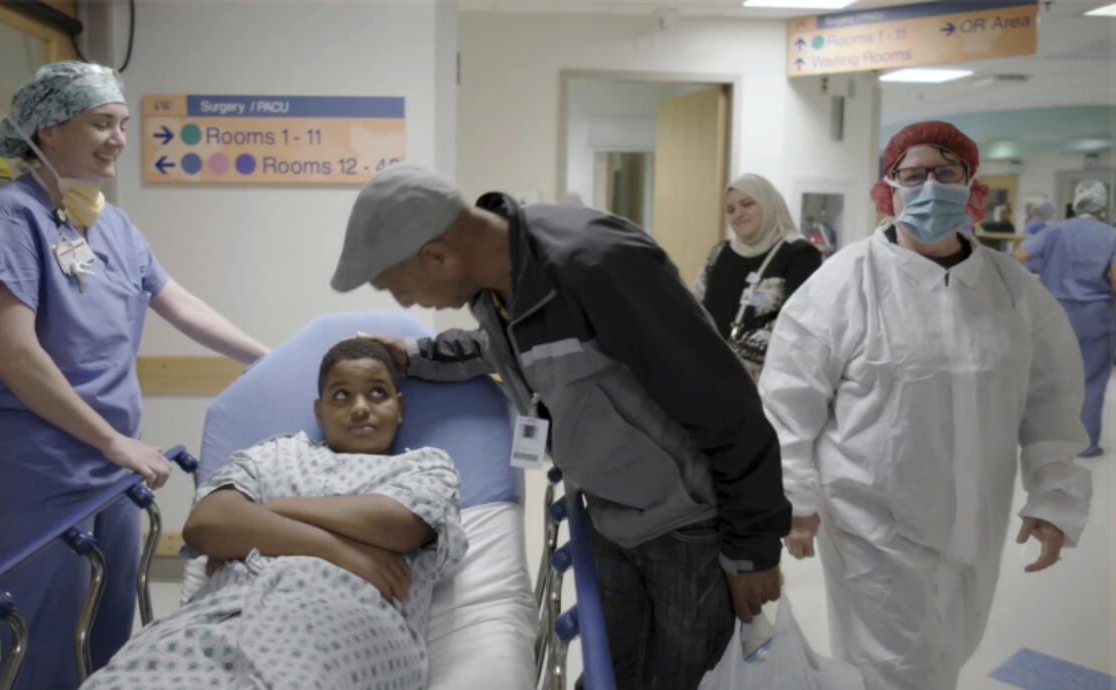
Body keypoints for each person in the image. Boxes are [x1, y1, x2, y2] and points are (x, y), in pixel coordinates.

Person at [330, 164, 789, 689]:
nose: (406, 305)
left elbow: (724, 399)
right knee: (615, 674)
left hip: (685, 526)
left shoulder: (596, 264)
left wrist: (753, 547)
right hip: (610, 513)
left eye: (400, 290)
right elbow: (514, 348)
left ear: (436, 254)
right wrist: (415, 356)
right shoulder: (496, 277)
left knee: (684, 680)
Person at [0, 61, 270, 689]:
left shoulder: (108, 223)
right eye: (101, 122)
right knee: (42, 653)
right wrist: (110, 439)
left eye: (123, 124)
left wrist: (273, 362)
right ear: (47, 131)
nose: (119, 139)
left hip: (115, 470)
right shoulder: (6, 221)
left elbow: (181, 304)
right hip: (41, 470)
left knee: (106, 645)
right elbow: (13, 354)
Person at [759, 121, 1092, 690]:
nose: (930, 187)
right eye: (913, 176)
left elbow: (1052, 401)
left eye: (946, 173)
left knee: (950, 650)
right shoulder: (843, 283)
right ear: (889, 188)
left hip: (976, 518)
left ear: (971, 184)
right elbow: (789, 401)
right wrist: (796, 500)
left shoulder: (1013, 291)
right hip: (872, 520)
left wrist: (1053, 496)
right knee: (896, 667)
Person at [80, 338, 466, 689]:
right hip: (226, 614)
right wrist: (344, 553)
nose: (360, 407)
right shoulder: (275, 455)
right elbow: (208, 522)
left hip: (352, 624)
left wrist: (275, 510)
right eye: (342, 395)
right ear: (319, 411)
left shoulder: (425, 468)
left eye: (377, 393)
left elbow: (400, 524)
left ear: (399, 407)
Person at [1016, 180, 1116, 458]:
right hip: (1095, 316)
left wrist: (1048, 268)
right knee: (1092, 380)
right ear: (1102, 204)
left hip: (1054, 314)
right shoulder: (1111, 235)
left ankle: (1047, 440)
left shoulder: (1055, 230)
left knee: (1050, 377)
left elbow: (1020, 254)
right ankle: (1086, 444)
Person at [690, 174, 821, 379]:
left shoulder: (799, 255)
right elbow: (692, 306)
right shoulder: (720, 253)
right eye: (731, 210)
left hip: (768, 381)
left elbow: (795, 321)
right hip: (709, 373)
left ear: (768, 204)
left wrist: (731, 364)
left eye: (747, 204)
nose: (738, 214)